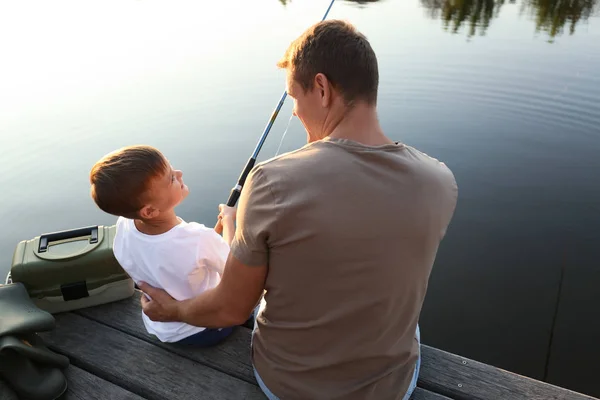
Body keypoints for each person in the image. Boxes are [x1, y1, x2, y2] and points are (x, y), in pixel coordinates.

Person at [138, 19, 458, 399]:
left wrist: (172, 311)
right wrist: (243, 226)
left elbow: (230, 310)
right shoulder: (440, 180)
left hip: (289, 386)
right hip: (393, 388)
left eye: (294, 98)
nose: (294, 114)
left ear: (321, 89)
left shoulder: (272, 182)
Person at [89, 145, 236, 346]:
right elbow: (237, 271)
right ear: (149, 211)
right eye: (171, 179)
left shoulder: (124, 226)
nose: (179, 173)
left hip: (161, 327)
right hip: (203, 329)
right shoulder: (199, 238)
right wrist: (229, 221)